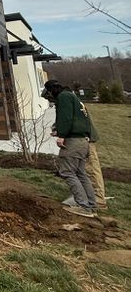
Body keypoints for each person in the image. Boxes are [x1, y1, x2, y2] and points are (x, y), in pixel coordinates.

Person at [41, 79, 96, 217]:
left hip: (73, 141)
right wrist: (59, 130)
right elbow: (74, 118)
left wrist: (62, 135)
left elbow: (66, 118)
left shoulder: (63, 97)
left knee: (67, 172)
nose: (51, 100)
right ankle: (91, 204)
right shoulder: (72, 96)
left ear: (52, 91)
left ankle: (84, 207)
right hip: (83, 140)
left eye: (49, 96)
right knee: (80, 173)